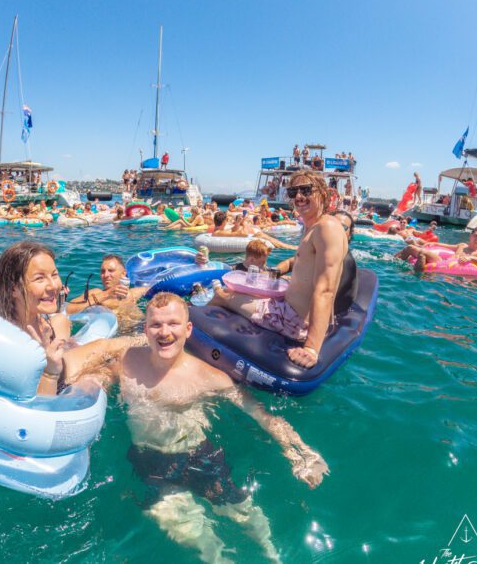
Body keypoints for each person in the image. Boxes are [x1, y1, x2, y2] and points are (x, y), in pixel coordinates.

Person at [74, 293, 328, 562]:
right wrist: (83, 385)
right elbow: (98, 374)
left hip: (202, 457)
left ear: (188, 329)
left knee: (246, 515)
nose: (164, 332)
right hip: (152, 463)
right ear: (146, 330)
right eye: (156, 325)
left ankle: (274, 556)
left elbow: (262, 415)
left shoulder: (210, 377)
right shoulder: (127, 361)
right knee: (201, 541)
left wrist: (301, 453)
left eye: (173, 324)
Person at [211, 170, 348, 368]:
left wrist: (311, 348)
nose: (299, 197)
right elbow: (300, 260)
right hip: (288, 310)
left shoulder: (327, 228)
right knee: (235, 290)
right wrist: (277, 271)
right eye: (293, 192)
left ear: (323, 193)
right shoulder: (313, 227)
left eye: (306, 190)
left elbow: (325, 289)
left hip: (294, 322)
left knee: (221, 295)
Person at [0, 241, 136, 396]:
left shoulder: (31, 314)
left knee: (65, 324)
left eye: (54, 275)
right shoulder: (7, 336)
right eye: (40, 278)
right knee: (111, 364)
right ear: (12, 288)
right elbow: (39, 407)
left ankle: (146, 339)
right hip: (54, 379)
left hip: (58, 360)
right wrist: (50, 372)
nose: (54, 286)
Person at [67, 254, 147, 314]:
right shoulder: (96, 293)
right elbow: (68, 309)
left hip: (141, 329)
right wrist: (106, 294)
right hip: (118, 334)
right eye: (102, 271)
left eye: (111, 271)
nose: (105, 275)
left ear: (123, 274)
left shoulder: (133, 293)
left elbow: (156, 289)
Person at [395, 228, 477, 273]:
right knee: (410, 247)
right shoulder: (462, 245)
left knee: (421, 253)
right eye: (476, 236)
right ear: (471, 236)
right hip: (442, 260)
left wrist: (470, 258)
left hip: (442, 264)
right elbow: (447, 246)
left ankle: (416, 275)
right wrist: (434, 244)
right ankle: (391, 260)